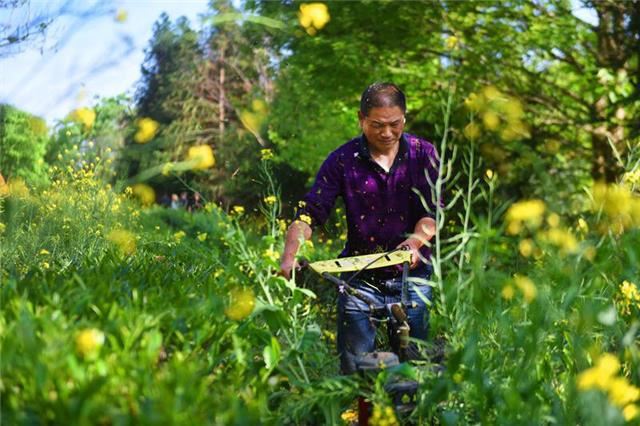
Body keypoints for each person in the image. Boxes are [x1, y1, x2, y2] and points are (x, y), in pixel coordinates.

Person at [279, 82, 441, 374]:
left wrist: (415, 242)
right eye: (377, 125)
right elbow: (309, 214)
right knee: (357, 369)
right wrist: (290, 255)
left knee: (418, 366)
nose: (387, 133)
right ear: (361, 119)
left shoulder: (423, 154)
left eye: (395, 124)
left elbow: (432, 214)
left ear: (405, 117)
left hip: (412, 277)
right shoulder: (342, 160)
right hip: (358, 280)